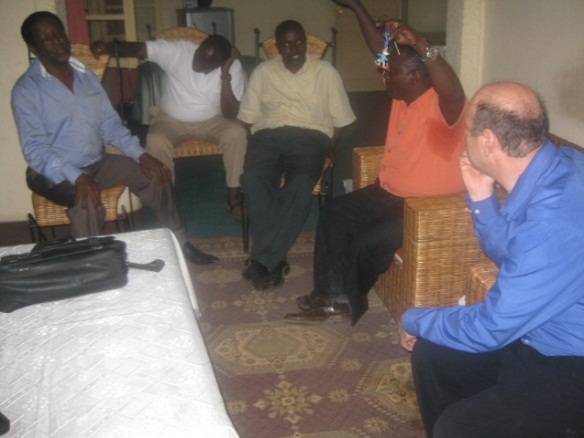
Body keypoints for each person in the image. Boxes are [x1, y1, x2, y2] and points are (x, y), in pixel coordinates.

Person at [400, 81, 584, 437]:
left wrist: (413, 318)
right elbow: (514, 255)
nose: (463, 137)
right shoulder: (553, 168)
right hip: (539, 329)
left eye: (467, 129)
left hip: (570, 357)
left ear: (486, 140)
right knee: (433, 351)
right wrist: (482, 198)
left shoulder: (553, 218)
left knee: (459, 428)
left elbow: (491, 327)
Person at [286, 0, 466, 323]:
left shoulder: (443, 106)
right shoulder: (402, 94)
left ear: (414, 76)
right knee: (335, 213)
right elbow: (380, 53)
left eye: (390, 74)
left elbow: (454, 92)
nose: (383, 76)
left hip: (423, 207)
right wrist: (356, 7)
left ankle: (347, 300)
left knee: (367, 241)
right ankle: (328, 293)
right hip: (387, 191)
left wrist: (421, 45)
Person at [12, 11, 219, 265]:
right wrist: (76, 176)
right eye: (47, 38)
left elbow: (110, 126)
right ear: (33, 48)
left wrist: (142, 155)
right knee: (86, 198)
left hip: (95, 163)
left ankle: (179, 242)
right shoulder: (27, 89)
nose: (58, 41)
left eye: (59, 33)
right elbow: (35, 149)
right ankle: (92, 263)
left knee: (157, 173)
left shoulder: (86, 77)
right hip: (50, 172)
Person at [238, 19, 356, 291]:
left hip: (310, 137)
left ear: (305, 42)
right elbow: (247, 116)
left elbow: (341, 119)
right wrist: (257, 142)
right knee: (253, 178)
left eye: (299, 42)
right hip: (268, 136)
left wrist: (330, 146)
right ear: (278, 47)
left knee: (301, 181)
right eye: (287, 44)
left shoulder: (325, 72)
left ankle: (262, 259)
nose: (294, 49)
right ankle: (273, 259)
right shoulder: (263, 72)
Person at [92, 30, 247, 220]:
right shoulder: (180, 52)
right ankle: (166, 201)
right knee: (156, 140)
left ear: (220, 63)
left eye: (207, 62)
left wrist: (225, 75)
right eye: (200, 55)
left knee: (236, 133)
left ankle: (233, 197)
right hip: (171, 119)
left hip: (213, 119)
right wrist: (109, 47)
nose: (198, 62)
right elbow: (141, 49)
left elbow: (230, 114)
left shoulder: (232, 67)